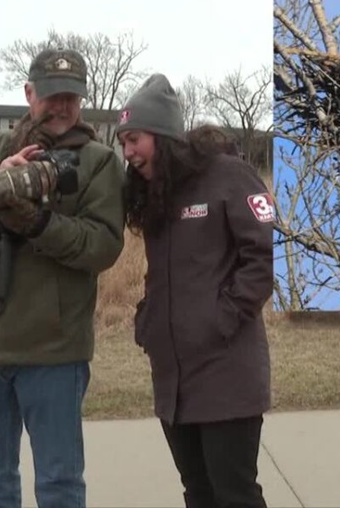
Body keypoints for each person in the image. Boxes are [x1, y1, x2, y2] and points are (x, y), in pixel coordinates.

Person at [0, 47, 126, 508]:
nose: (62, 107)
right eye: (52, 95)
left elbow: (102, 245)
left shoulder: (98, 161)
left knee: (59, 483)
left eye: (72, 98)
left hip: (53, 353)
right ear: (29, 93)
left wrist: (37, 223)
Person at [116, 73, 275, 508]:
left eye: (135, 139)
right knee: (198, 493)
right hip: (174, 379)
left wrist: (217, 318)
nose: (128, 152)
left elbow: (262, 261)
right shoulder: (157, 192)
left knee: (235, 494)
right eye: (123, 143)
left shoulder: (229, 176)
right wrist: (149, 320)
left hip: (227, 372)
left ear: (163, 135)